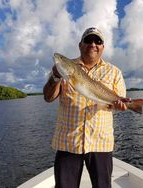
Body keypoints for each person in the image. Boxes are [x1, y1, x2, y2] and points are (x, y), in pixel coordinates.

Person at [43, 27, 127, 188]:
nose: (93, 44)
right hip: (68, 142)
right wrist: (55, 76)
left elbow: (117, 102)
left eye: (98, 41)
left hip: (100, 143)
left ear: (103, 47)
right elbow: (48, 97)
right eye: (88, 40)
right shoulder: (65, 67)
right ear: (80, 45)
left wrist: (121, 105)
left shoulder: (114, 72)